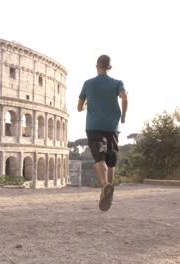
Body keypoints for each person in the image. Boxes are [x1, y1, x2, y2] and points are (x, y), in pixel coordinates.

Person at [77, 55, 128, 211]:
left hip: (93, 126)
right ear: (109, 67)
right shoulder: (117, 83)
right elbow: (125, 98)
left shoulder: (88, 84)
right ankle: (109, 193)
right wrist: (123, 116)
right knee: (111, 160)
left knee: (100, 158)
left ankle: (105, 185)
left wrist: (86, 105)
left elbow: (79, 107)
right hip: (112, 126)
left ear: (97, 65)